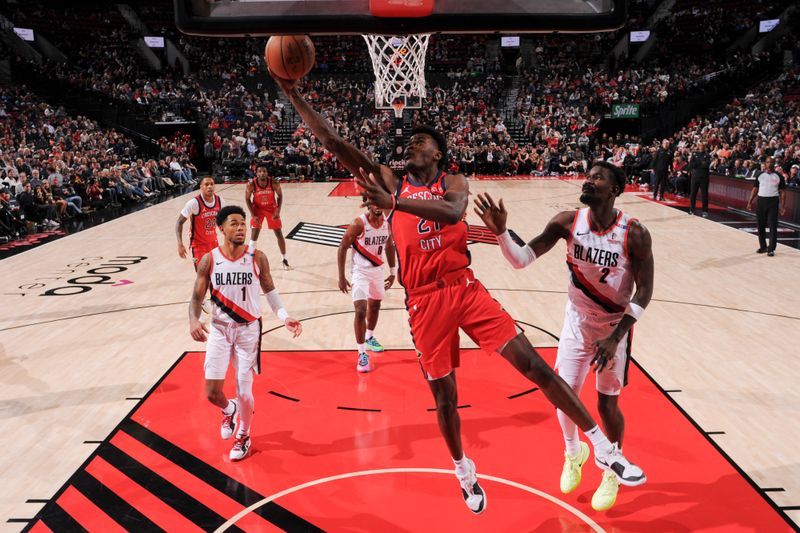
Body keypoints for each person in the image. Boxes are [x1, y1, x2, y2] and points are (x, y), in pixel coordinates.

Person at [272, 72, 646, 514]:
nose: (411, 145)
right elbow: (334, 141)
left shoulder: (453, 183)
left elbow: (452, 213)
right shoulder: (391, 182)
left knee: (534, 366)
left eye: (420, 142)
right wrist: (294, 96)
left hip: (463, 288)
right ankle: (464, 472)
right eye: (409, 141)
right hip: (424, 301)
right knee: (445, 398)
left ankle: (602, 448)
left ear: (439, 153)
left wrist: (394, 205)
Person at [474, 161, 654, 511]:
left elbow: (644, 292)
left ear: (615, 189)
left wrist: (616, 337)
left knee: (606, 403)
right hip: (576, 322)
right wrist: (501, 233)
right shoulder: (567, 222)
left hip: (613, 328)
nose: (589, 181)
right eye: (588, 176)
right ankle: (574, 452)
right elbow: (522, 260)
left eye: (598, 178)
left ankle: (611, 472)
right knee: (563, 394)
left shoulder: (634, 233)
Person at [189, 205, 302, 461]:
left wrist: (284, 317)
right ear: (221, 228)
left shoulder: (257, 257)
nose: (241, 228)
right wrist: (193, 321)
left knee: (245, 390)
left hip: (248, 331)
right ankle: (230, 409)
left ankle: (244, 433)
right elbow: (196, 297)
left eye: (242, 223)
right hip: (219, 330)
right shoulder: (209, 259)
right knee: (212, 394)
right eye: (234, 223)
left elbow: (271, 291)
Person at [337, 199, 397, 372]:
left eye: (380, 202)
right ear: (367, 205)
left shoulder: (387, 224)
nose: (378, 206)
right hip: (360, 272)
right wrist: (341, 276)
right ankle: (362, 353)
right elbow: (342, 247)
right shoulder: (358, 224)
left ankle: (369, 336)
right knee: (360, 310)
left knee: (376, 305)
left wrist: (393, 272)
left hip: (378, 271)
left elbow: (389, 246)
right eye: (374, 203)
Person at [245, 163, 291, 270]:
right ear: (256, 173)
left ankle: (284, 259)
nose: (262, 173)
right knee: (254, 235)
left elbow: (280, 196)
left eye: (264, 171)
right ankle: (249, 262)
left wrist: (278, 211)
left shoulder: (273, 182)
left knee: (279, 234)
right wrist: (252, 214)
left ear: (267, 173)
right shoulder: (251, 184)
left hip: (271, 209)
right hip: (258, 209)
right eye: (260, 171)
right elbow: (247, 199)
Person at [176, 176, 224, 270]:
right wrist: (180, 244)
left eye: (212, 184)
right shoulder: (194, 203)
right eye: (206, 184)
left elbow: (224, 221)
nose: (209, 186)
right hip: (198, 246)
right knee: (202, 277)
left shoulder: (220, 201)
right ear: (201, 187)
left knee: (215, 276)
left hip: (214, 243)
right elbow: (179, 223)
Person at [746, 157, 786, 257]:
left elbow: (783, 192)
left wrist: (782, 206)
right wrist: (750, 202)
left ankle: (771, 248)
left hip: (773, 202)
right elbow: (755, 189)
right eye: (768, 162)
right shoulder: (760, 175)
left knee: (772, 226)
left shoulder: (779, 176)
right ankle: (763, 247)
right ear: (765, 163)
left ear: (774, 163)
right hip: (761, 201)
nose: (770, 164)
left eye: (771, 162)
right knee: (760, 225)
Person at [687, 143, 711, 217]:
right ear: (698, 147)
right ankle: (692, 209)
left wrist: (697, 164)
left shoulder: (708, 155)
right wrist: (701, 162)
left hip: (704, 178)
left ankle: (705, 211)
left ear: (705, 147)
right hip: (695, 177)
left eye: (703, 146)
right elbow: (691, 165)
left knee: (704, 195)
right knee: (693, 194)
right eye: (700, 146)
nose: (701, 147)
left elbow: (706, 165)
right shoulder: (694, 155)